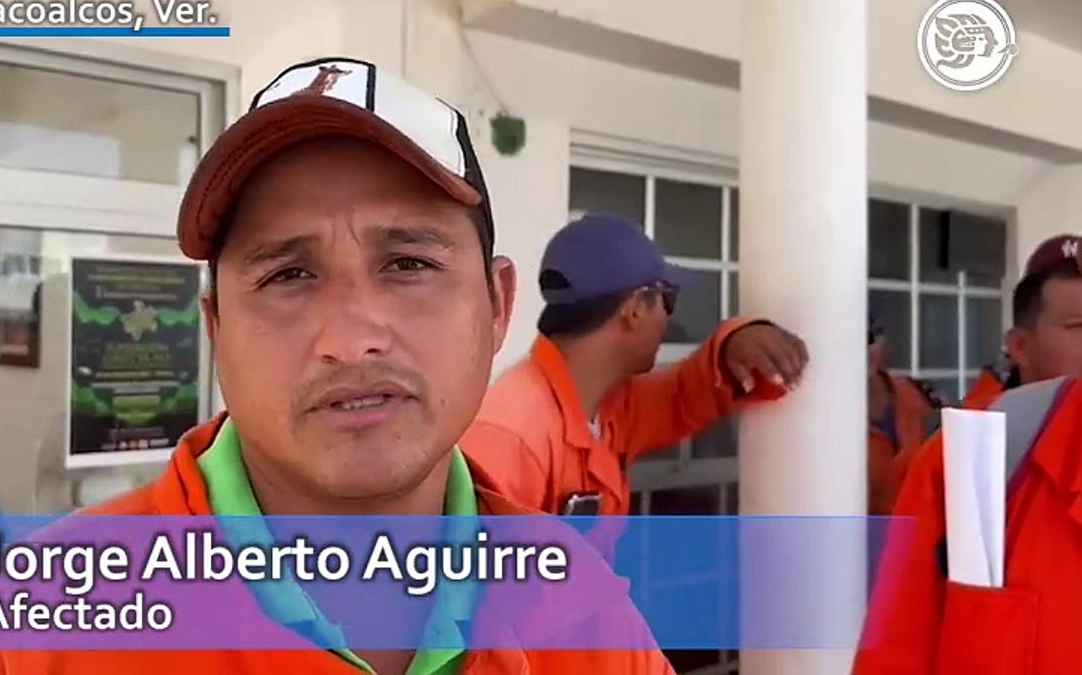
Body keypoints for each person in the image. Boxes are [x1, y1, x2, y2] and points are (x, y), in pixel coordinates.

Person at [0, 57, 676, 674]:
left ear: (498, 306)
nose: (352, 338)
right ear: (216, 328)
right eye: (287, 276)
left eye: (407, 264)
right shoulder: (19, 635)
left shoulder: (578, 606)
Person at [460, 213, 808, 517]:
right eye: (667, 300)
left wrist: (735, 341)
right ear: (636, 308)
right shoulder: (510, 437)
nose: (668, 320)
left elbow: (684, 395)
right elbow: (474, 586)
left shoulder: (609, 407)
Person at [853, 233, 1082, 673]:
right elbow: (897, 651)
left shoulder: (917, 397)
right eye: (1078, 327)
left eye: (871, 335)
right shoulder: (973, 453)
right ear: (1017, 345)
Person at [866, 315, 945, 516]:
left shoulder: (923, 395)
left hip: (927, 540)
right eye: (845, 342)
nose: (859, 351)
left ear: (881, 340)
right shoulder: (823, 419)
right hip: (863, 545)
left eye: (867, 340)